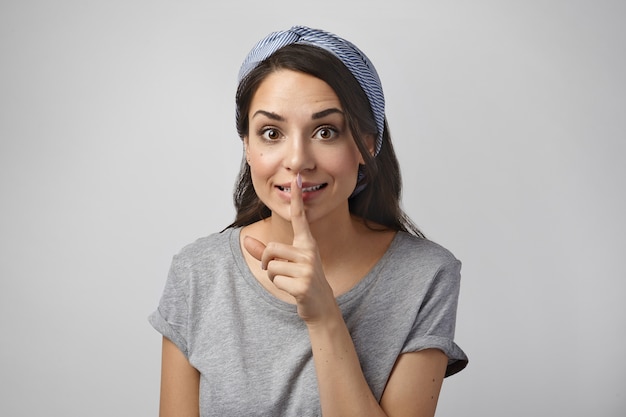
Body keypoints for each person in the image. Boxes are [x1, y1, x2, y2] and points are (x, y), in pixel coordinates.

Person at [149, 25, 468, 417]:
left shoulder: (426, 276)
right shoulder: (197, 272)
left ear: (368, 143)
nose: (298, 159)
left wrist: (324, 316)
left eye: (325, 131)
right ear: (247, 147)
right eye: (271, 132)